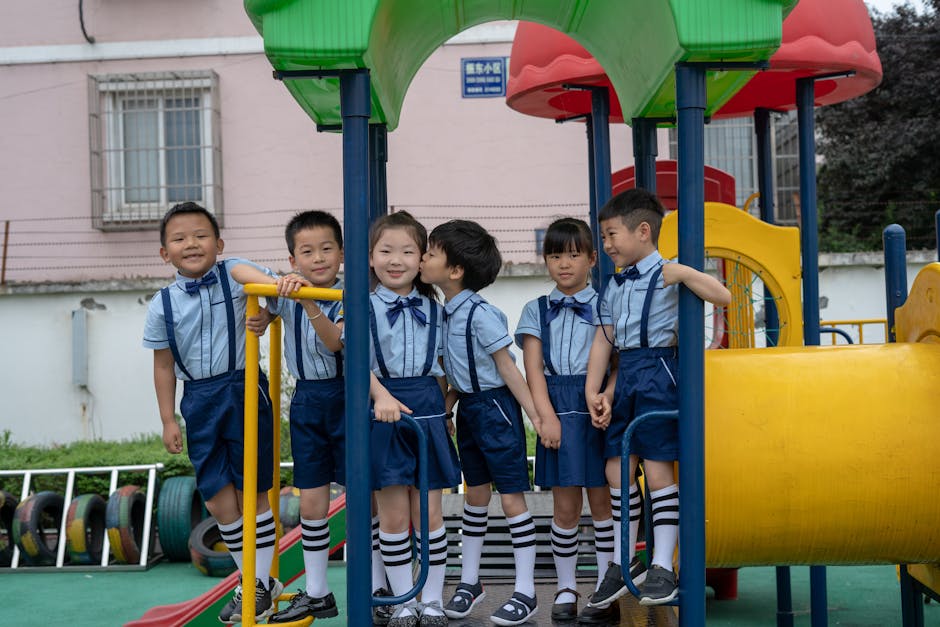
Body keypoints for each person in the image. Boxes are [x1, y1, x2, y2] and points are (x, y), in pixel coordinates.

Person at [584, 188, 731, 607]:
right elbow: (604, 341)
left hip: (660, 372)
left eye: (612, 235)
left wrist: (685, 274)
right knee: (617, 469)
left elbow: (724, 296)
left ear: (643, 231)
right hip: (626, 373)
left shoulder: (669, 272)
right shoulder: (613, 285)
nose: (607, 245)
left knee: (658, 467)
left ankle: (663, 563)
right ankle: (625, 559)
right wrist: (594, 390)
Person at [142, 202, 283, 624]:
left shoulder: (235, 272)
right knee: (220, 500)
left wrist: (272, 310)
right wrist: (169, 419)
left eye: (201, 235)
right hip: (198, 399)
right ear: (165, 252)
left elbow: (274, 290)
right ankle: (257, 583)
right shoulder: (161, 304)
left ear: (219, 243)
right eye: (180, 238)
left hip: (242, 387)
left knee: (253, 491)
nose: (191, 244)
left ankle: (255, 588)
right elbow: (163, 365)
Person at [421, 220, 544, 627]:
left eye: (430, 253)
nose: (422, 258)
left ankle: (525, 589)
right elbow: (459, 371)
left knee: (510, 497)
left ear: (454, 270)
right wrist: (449, 404)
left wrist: (536, 417)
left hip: (498, 409)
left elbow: (507, 369)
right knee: (474, 495)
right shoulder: (442, 314)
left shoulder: (479, 313)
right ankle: (469, 582)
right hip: (470, 409)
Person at [229, 210, 345, 623]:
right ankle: (317, 592)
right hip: (307, 399)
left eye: (327, 249)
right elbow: (266, 305)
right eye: (307, 251)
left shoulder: (351, 293)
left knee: (365, 500)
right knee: (312, 504)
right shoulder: (284, 289)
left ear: (341, 253)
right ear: (293, 259)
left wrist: (305, 300)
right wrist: (264, 316)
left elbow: (335, 344)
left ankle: (378, 588)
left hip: (349, 396)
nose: (318, 258)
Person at [513, 217, 617, 624]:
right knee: (565, 507)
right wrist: (544, 419)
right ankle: (567, 587)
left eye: (574, 255)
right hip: (556, 408)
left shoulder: (608, 305)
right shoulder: (535, 309)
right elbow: (533, 370)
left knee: (604, 502)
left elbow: (617, 363)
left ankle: (606, 590)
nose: (564, 264)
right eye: (555, 255)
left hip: (598, 411)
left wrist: (607, 396)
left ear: (592, 258)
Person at [365, 211, 462, 627]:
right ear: (370, 257)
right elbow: (354, 363)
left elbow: (448, 367)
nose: (396, 259)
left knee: (430, 514)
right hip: (383, 405)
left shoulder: (437, 310)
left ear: (422, 258)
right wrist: (381, 395)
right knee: (393, 517)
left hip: (427, 406)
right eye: (386, 250)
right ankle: (404, 601)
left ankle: (433, 600)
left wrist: (447, 408)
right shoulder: (362, 307)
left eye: (407, 251)